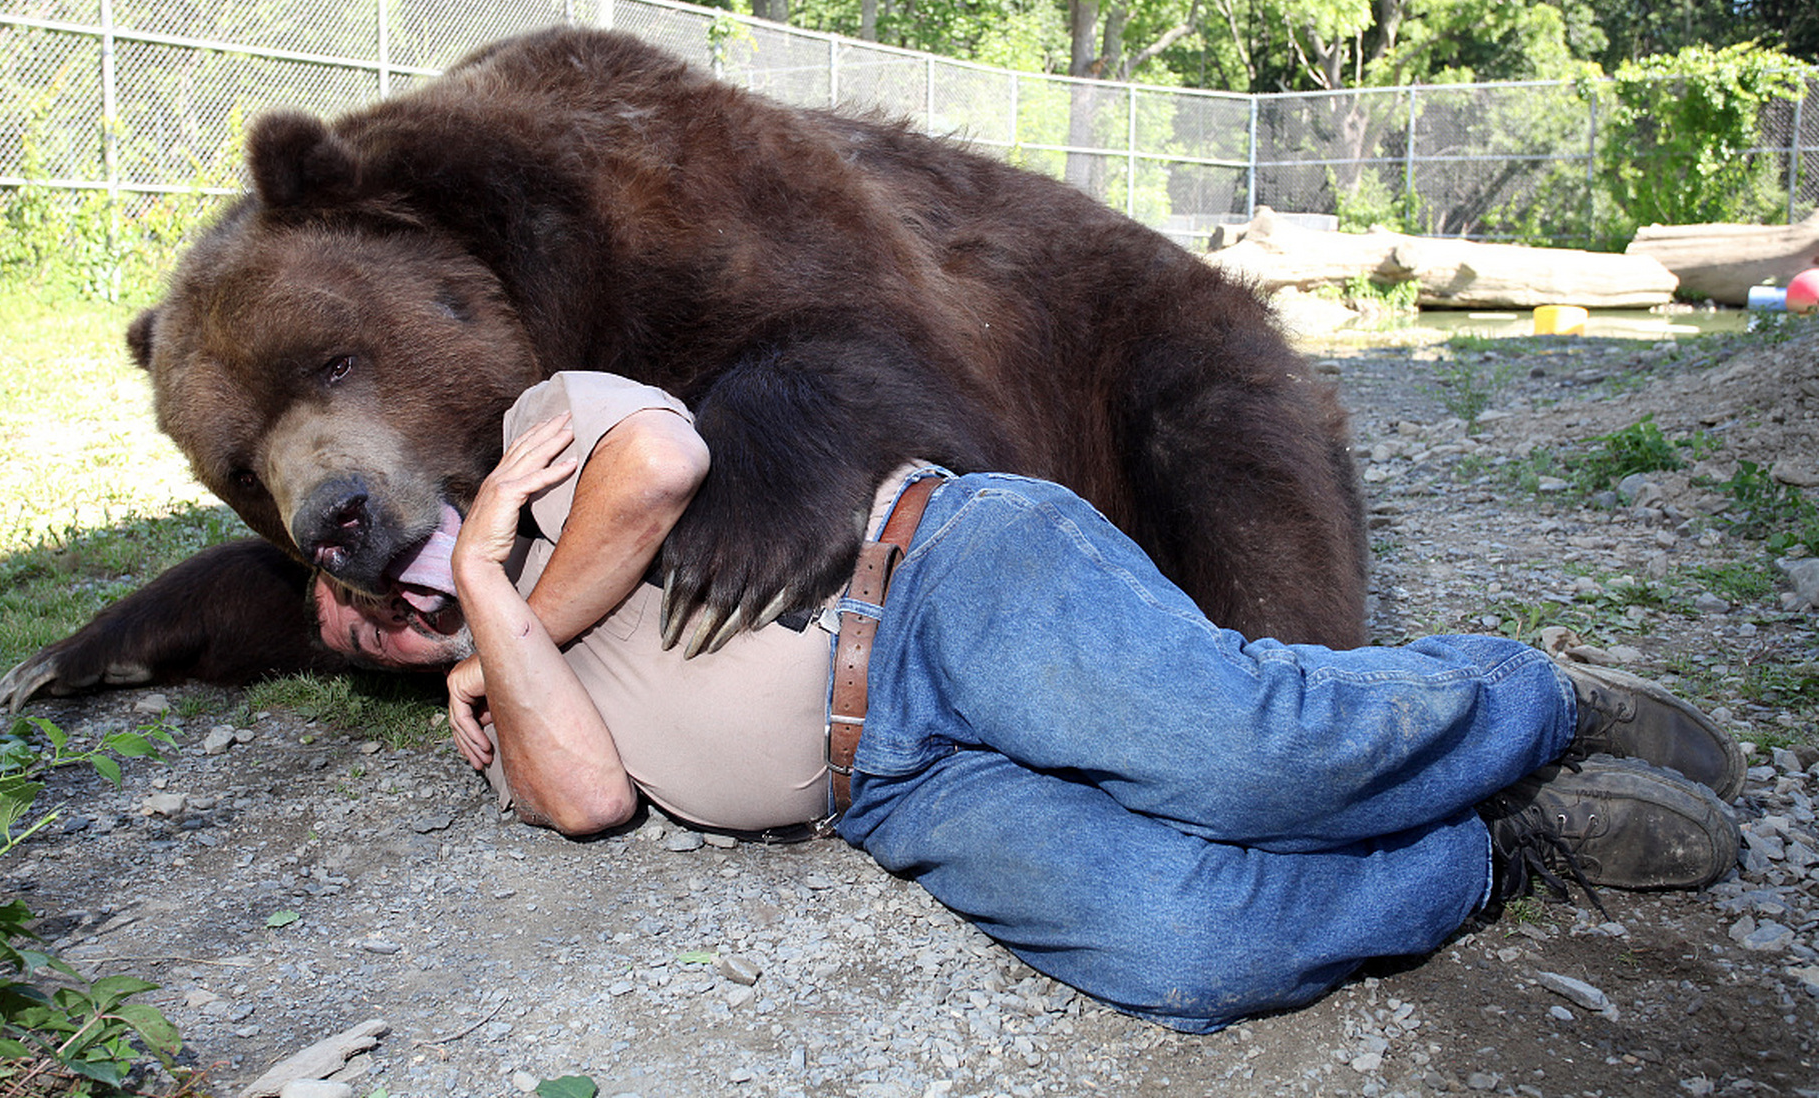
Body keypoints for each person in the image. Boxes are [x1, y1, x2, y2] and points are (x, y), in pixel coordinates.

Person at [320, 371, 1744, 1033]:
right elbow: (588, 800)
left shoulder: (539, 435)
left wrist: (510, 546)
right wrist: (490, 635)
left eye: (365, 577)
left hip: (940, 572)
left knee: (1240, 755)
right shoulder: (492, 706)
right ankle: (1492, 850)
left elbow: (664, 466)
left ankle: (1527, 700)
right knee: (1184, 945)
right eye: (355, 636)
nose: (375, 611)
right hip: (888, 787)